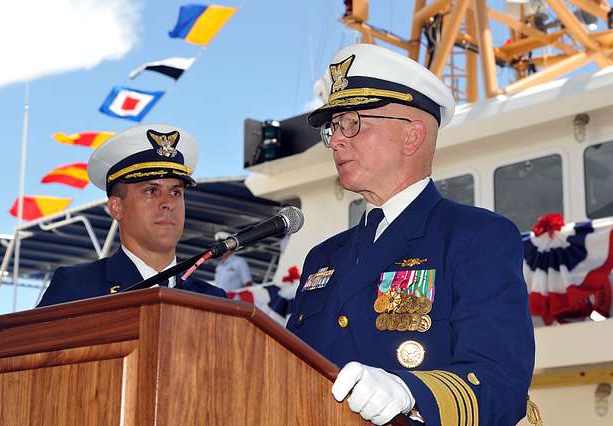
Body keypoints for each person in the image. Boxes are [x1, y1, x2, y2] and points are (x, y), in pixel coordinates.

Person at [286, 43, 535, 425]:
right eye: (333, 127)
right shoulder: (323, 257)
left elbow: (500, 383)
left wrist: (408, 392)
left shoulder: (477, 237)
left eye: (352, 122)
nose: (336, 139)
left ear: (411, 136)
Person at [38, 123, 226, 307]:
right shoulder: (76, 288)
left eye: (176, 192)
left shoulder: (213, 300)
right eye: (151, 191)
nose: (168, 203)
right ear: (116, 207)